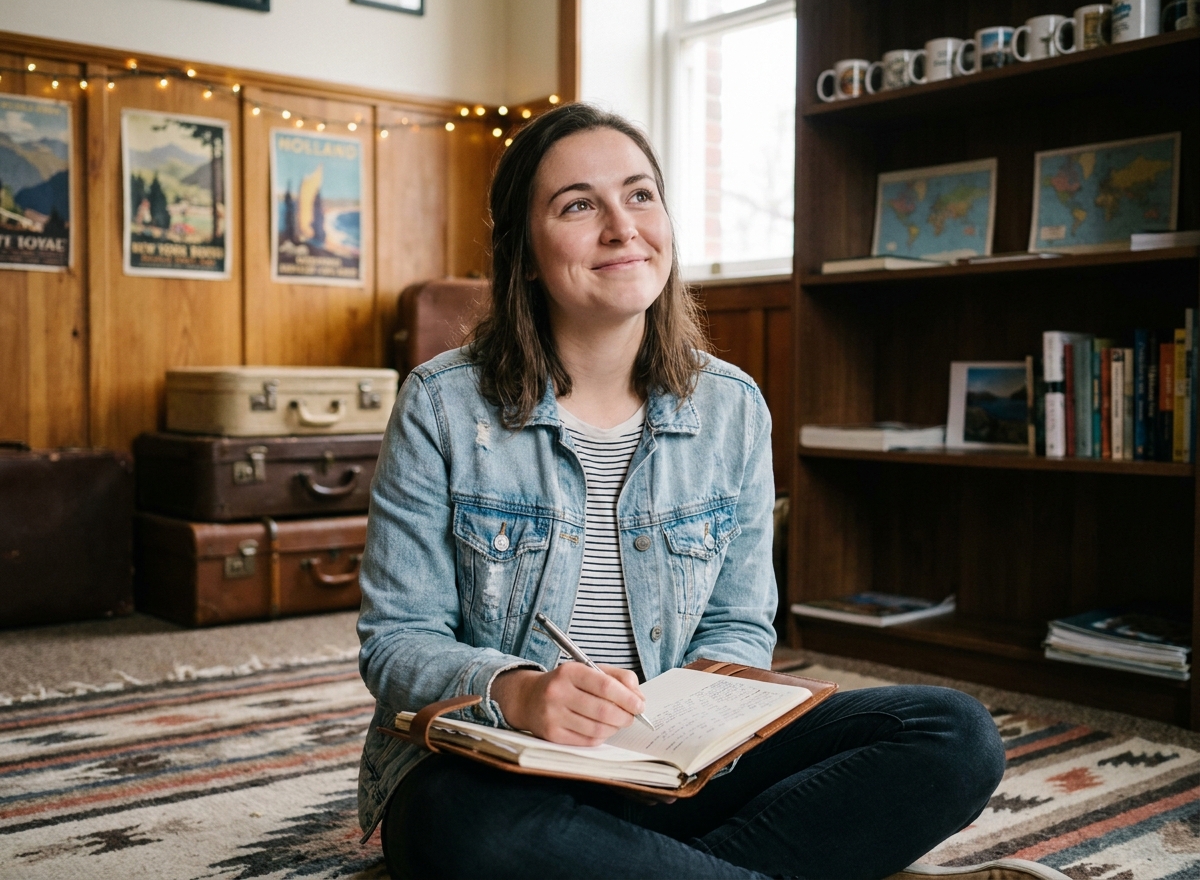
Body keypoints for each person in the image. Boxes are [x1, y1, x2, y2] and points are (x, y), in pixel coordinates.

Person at [356, 102, 1008, 880]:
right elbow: (396, 641)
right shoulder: (441, 405)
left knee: (954, 734)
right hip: (503, 767)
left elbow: (738, 622)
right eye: (577, 205)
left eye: (640, 195)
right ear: (524, 253)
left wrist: (692, 729)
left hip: (672, 770)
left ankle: (634, 865)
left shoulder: (731, 408)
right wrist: (520, 691)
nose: (621, 227)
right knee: (461, 827)